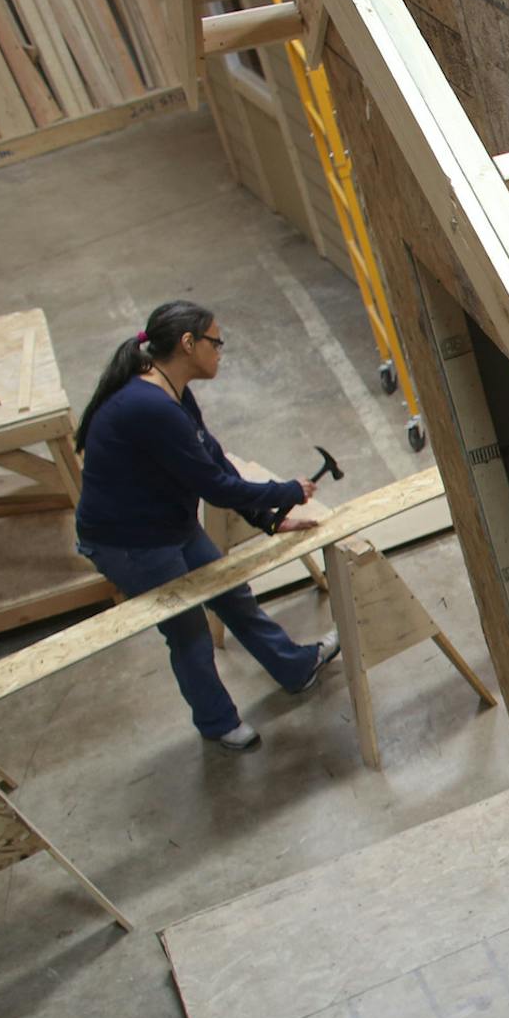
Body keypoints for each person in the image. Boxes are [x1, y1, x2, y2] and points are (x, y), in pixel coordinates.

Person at [73, 301, 338, 752]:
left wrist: (269, 518)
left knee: (233, 593)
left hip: (168, 524)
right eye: (215, 342)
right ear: (188, 344)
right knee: (189, 632)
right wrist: (285, 491)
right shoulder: (148, 407)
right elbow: (214, 487)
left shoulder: (174, 393)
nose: (220, 351)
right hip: (129, 543)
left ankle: (295, 667)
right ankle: (217, 722)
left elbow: (211, 458)